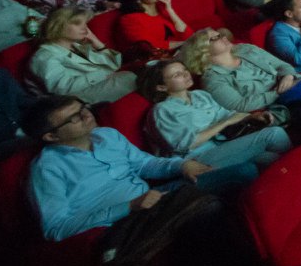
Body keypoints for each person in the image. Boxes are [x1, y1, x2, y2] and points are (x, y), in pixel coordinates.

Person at [22, 94, 255, 248]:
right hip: (123, 226)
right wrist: (128, 207)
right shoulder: (46, 169)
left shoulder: (107, 135)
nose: (86, 115)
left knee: (245, 172)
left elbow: (145, 164)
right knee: (209, 212)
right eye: (74, 117)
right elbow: (56, 227)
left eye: (83, 107)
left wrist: (181, 165)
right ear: (51, 136)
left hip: (157, 198)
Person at [140, 59, 289, 168]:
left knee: (274, 159)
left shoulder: (200, 95)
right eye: (176, 75)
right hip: (194, 160)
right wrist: (224, 123)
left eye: (184, 70)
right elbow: (185, 145)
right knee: (274, 133)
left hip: (222, 146)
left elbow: (227, 115)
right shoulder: (161, 110)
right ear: (161, 87)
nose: (186, 75)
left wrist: (251, 117)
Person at [28, 6, 137, 103]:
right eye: (77, 23)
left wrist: (96, 41)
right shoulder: (44, 56)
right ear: (58, 26)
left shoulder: (77, 46)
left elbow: (114, 66)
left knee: (142, 72)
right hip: (76, 100)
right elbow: (62, 89)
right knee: (131, 78)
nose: (85, 28)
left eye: (85, 23)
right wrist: (102, 74)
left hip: (98, 85)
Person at [116, 0, 188, 57]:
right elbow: (151, 48)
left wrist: (170, 9)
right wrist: (187, 43)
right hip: (158, 59)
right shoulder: (129, 19)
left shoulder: (162, 10)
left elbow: (186, 34)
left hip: (180, 52)